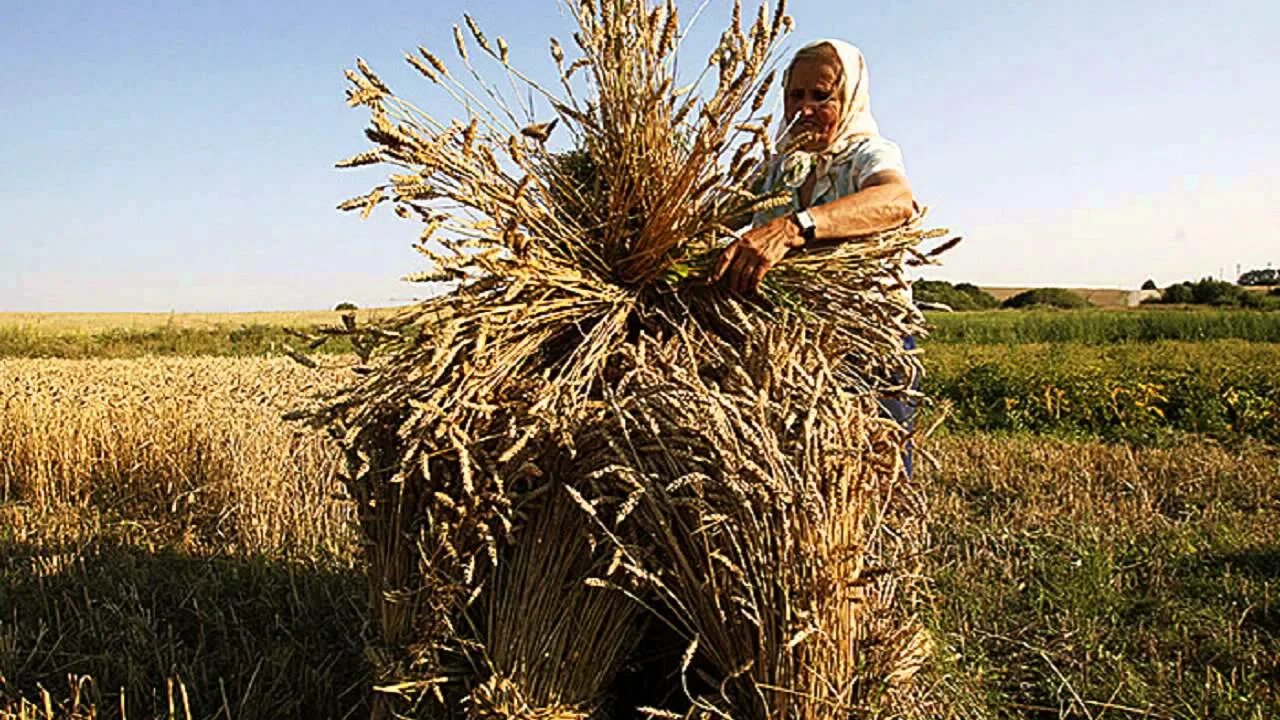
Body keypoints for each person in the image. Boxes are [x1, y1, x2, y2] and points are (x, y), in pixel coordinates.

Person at [711, 38, 920, 475]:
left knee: (873, 470)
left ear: (849, 98)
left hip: (869, 339)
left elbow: (897, 199)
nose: (804, 109)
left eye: (821, 96)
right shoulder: (775, 170)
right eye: (795, 95)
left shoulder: (867, 153)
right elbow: (711, 217)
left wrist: (794, 227)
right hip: (792, 345)